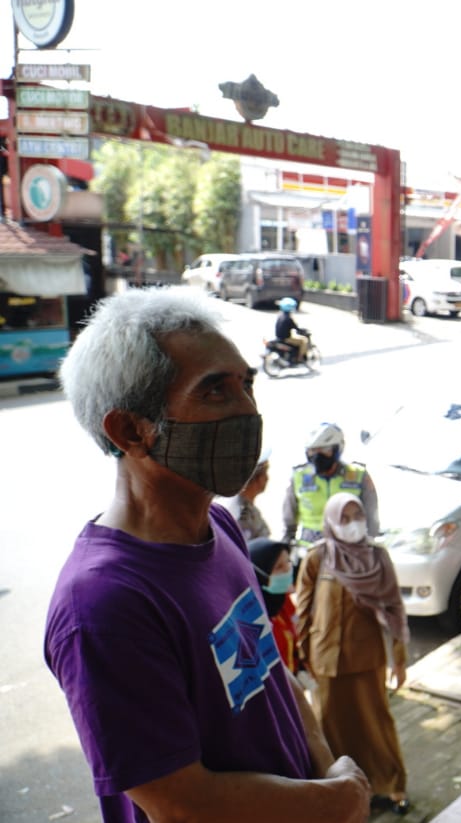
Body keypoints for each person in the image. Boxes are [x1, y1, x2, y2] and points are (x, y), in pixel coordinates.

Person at [45, 286, 370, 822]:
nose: (248, 411)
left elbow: (272, 674)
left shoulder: (219, 527)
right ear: (130, 430)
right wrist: (334, 800)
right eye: (215, 391)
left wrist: (327, 775)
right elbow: (180, 802)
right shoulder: (103, 606)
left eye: (247, 385)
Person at [296, 492, 410, 815]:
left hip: (366, 658)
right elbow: (302, 610)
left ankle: (392, 786)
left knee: (376, 725)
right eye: (344, 518)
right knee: (331, 729)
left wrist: (399, 659)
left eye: (357, 516)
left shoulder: (377, 557)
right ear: (331, 521)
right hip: (326, 658)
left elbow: (394, 608)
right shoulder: (318, 557)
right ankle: (343, 795)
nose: (352, 524)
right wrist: (302, 656)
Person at [283, 422, 379, 558]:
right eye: (312, 451)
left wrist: (368, 547)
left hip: (349, 551)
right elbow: (289, 520)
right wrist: (286, 549)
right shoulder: (299, 477)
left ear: (337, 449)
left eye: (324, 450)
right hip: (310, 552)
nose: (318, 456)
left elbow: (371, 516)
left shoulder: (358, 475)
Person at [250, 537, 302, 674]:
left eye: (288, 562)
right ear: (259, 576)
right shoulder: (253, 619)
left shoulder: (282, 599)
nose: (288, 570)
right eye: (279, 567)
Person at [217, 448, 272, 540]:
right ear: (255, 478)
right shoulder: (241, 513)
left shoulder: (249, 508)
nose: (267, 478)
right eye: (264, 474)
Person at [275, 296, 309, 362]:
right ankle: (300, 358)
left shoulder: (280, 315)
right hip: (286, 338)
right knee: (304, 340)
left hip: (279, 337)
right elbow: (296, 328)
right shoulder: (289, 318)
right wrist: (302, 331)